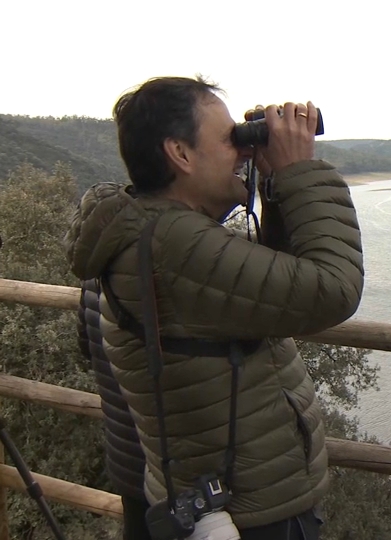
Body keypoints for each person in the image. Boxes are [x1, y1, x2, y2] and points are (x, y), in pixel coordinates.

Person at [64, 76, 364, 539]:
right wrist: (299, 171)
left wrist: (275, 188)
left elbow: (274, 290)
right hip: (251, 512)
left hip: (231, 497)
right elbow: (334, 289)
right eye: (230, 140)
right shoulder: (174, 246)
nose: (244, 150)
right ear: (180, 154)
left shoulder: (159, 233)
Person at [77, 278, 150, 539]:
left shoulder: (94, 273)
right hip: (178, 461)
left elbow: (86, 344)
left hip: (125, 456)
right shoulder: (174, 269)